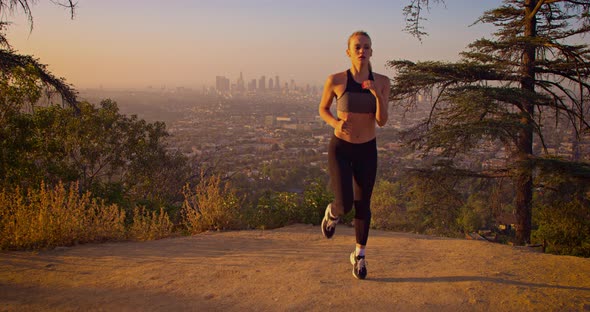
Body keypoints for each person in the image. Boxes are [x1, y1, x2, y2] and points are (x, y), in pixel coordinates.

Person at [318, 30, 390, 280]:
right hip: (341, 148)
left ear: (372, 51)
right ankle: (333, 212)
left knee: (363, 206)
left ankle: (359, 256)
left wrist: (376, 94)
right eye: (357, 47)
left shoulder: (382, 81)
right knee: (346, 204)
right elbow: (323, 108)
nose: (362, 50)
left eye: (366, 46)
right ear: (348, 52)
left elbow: (381, 121)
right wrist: (335, 123)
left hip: (367, 149)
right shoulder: (336, 80)